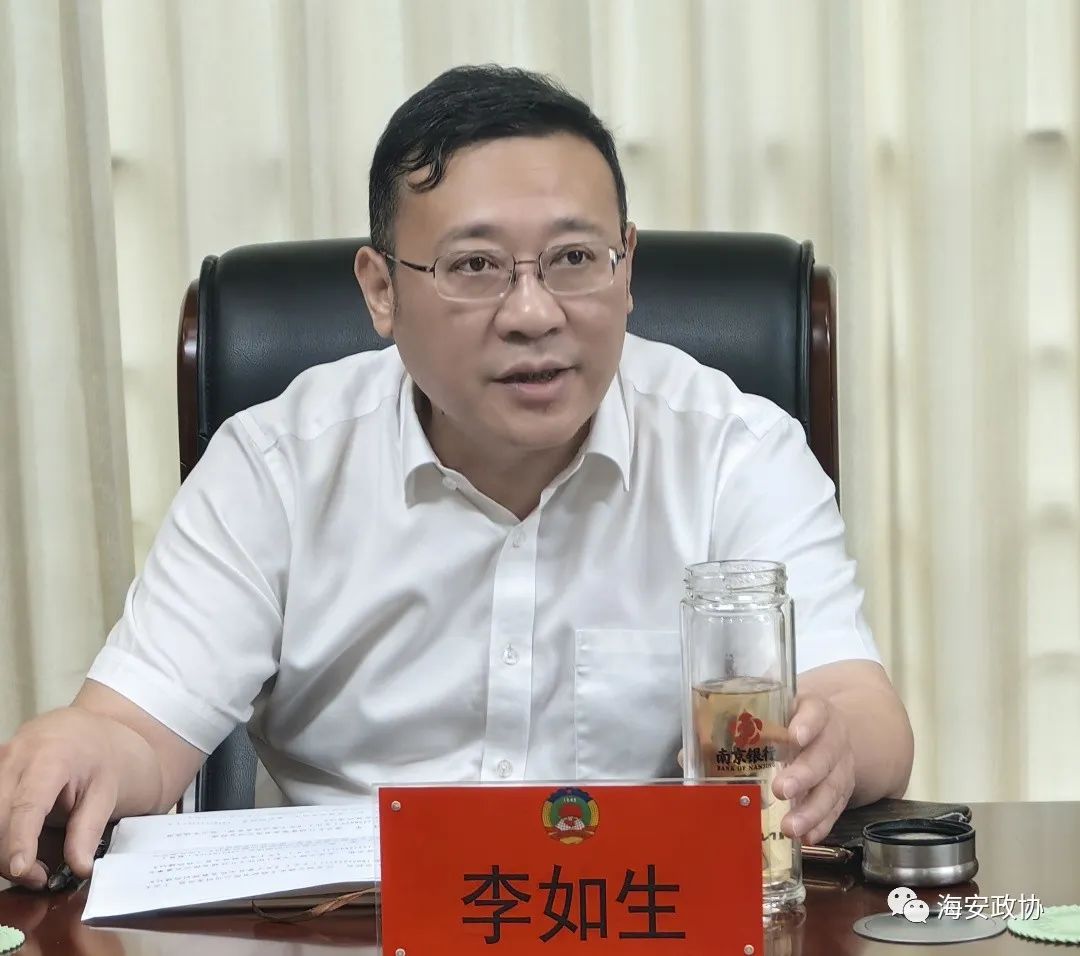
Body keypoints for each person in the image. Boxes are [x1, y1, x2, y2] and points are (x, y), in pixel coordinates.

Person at [0, 64, 913, 890]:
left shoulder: (733, 450)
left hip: (641, 915)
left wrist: (831, 746)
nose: (532, 312)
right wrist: (81, 748)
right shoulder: (276, 467)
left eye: (574, 259)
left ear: (627, 267)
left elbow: (864, 715)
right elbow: (136, 732)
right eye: (475, 266)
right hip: (353, 925)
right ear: (381, 289)